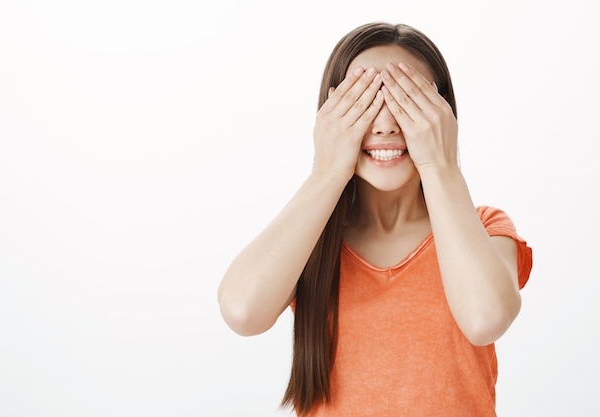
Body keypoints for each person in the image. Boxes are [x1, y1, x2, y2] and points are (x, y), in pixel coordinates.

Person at [217, 22, 533, 417]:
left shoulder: (485, 229)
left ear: (443, 115)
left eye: (407, 102)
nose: (385, 125)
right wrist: (327, 171)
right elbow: (242, 312)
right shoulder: (308, 238)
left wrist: (440, 163)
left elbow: (486, 318)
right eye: (363, 103)